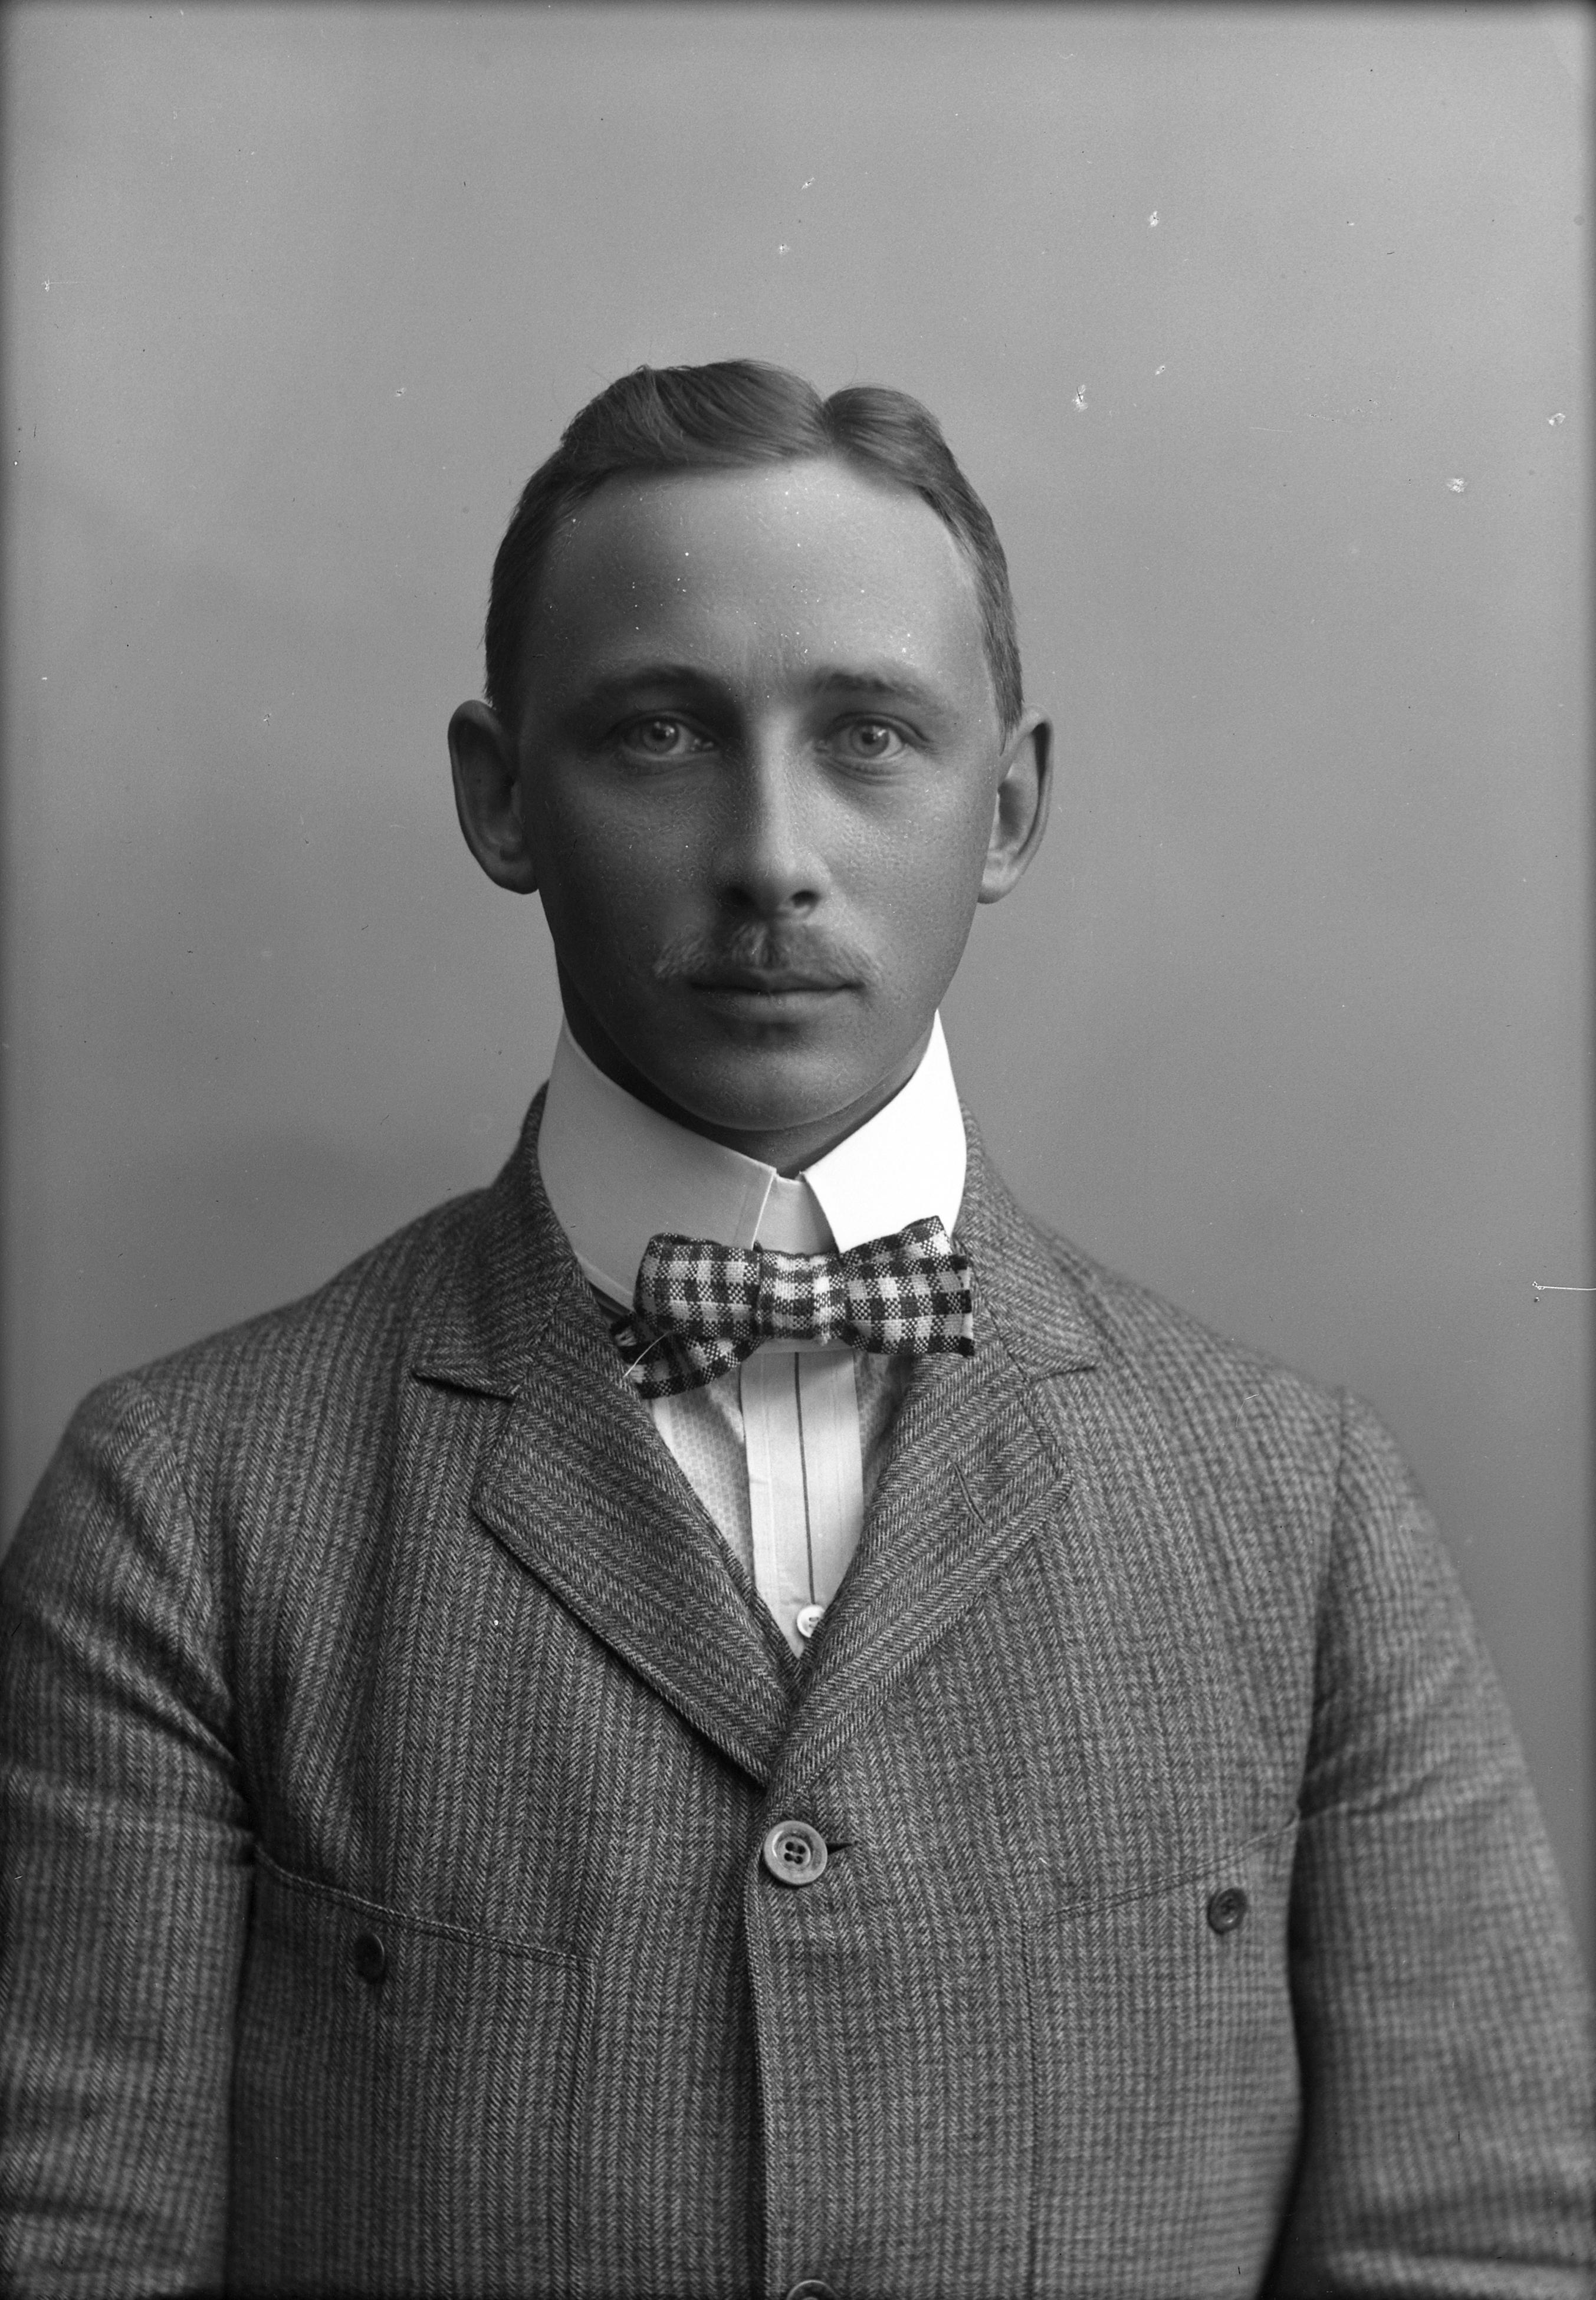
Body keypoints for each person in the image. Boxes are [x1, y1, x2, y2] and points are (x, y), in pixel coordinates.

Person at [1, 359, 1590, 2300]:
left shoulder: (1301, 1508)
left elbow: (1473, 2247)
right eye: (658, 733)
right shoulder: (188, 1506)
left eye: (869, 736)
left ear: (1007, 805)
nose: (770, 854)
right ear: (501, 797)